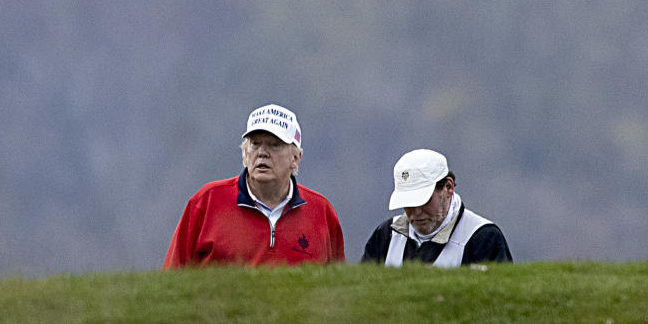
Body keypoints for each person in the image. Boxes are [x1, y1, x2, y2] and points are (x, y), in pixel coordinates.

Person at [163, 104, 345, 267]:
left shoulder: (322, 212)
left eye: (274, 145)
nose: (262, 153)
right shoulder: (206, 202)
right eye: (255, 144)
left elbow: (338, 292)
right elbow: (171, 284)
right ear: (244, 154)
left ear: (295, 158)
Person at [361, 149, 512, 266]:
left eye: (423, 200)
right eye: (408, 203)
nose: (416, 212)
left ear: (448, 187)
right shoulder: (385, 236)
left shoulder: (483, 239)